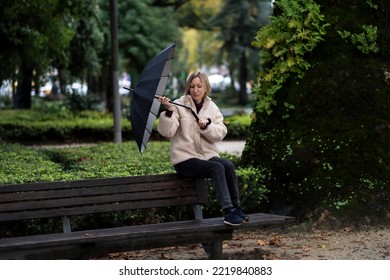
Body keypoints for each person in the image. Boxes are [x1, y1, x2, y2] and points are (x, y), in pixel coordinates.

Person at [157, 71, 248, 226]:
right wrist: (169, 110)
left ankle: (236, 207)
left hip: (205, 156)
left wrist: (207, 126)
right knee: (217, 168)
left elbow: (221, 133)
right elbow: (167, 132)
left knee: (228, 165)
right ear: (188, 88)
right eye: (192, 86)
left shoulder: (212, 107)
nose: (195, 90)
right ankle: (228, 211)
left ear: (206, 87)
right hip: (185, 159)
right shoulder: (179, 105)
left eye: (199, 86)